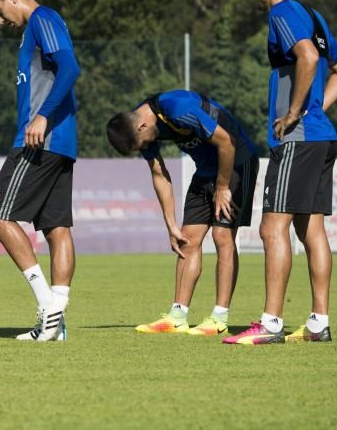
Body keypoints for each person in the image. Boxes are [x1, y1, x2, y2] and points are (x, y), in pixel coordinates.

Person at [224, 0, 337, 345]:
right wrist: (315, 108)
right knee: (310, 228)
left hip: (298, 140)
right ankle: (318, 323)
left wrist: (297, 112)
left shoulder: (281, 14)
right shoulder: (313, 15)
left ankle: (271, 323)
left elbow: (309, 57)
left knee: (271, 227)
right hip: (321, 137)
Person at [0, 0, 79, 342]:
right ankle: (58, 324)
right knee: (56, 228)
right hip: (62, 141)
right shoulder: (36, 28)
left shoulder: (42, 19)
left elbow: (70, 67)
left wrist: (42, 116)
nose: (1, 21)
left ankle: (48, 305)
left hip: (41, 140)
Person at [106, 91, 259, 336]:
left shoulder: (178, 109)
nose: (146, 147)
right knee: (186, 239)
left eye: (143, 143)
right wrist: (171, 225)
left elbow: (227, 142)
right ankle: (177, 316)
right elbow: (159, 174)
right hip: (206, 170)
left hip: (237, 162)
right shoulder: (138, 123)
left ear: (143, 126)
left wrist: (222, 188)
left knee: (223, 237)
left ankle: (219, 318)